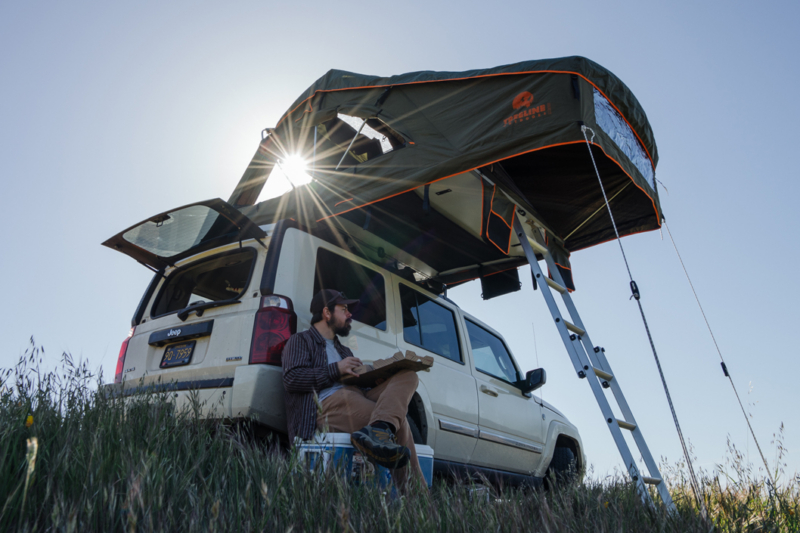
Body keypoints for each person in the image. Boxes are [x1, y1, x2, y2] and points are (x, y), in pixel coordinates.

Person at [282, 289, 424, 488]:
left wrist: (373, 380)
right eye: (344, 309)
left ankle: (379, 428)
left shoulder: (344, 349)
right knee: (398, 423)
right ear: (327, 312)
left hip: (356, 396)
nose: (350, 315)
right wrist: (336, 369)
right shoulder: (301, 341)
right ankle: (417, 499)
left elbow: (354, 382)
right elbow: (292, 379)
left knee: (408, 375)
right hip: (327, 405)